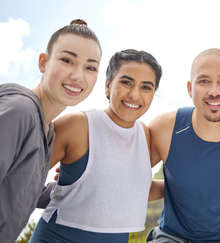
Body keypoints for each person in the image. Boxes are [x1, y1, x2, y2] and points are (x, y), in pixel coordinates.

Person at [29, 49, 164, 243]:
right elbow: (21, 178)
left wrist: (178, 188)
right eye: (126, 82)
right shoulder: (77, 125)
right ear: (108, 86)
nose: (135, 94)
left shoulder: (145, 135)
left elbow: (131, 191)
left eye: (146, 87)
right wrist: (57, 190)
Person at [0, 19, 101, 242]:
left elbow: (17, 193)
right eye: (67, 60)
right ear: (43, 62)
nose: (77, 76)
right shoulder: (20, 112)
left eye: (90, 67)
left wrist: (65, 187)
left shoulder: (47, 130)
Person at [147, 48, 220, 243]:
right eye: (204, 81)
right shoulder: (165, 129)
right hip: (171, 237)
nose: (214, 91)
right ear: (190, 88)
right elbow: (128, 183)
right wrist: (174, 189)